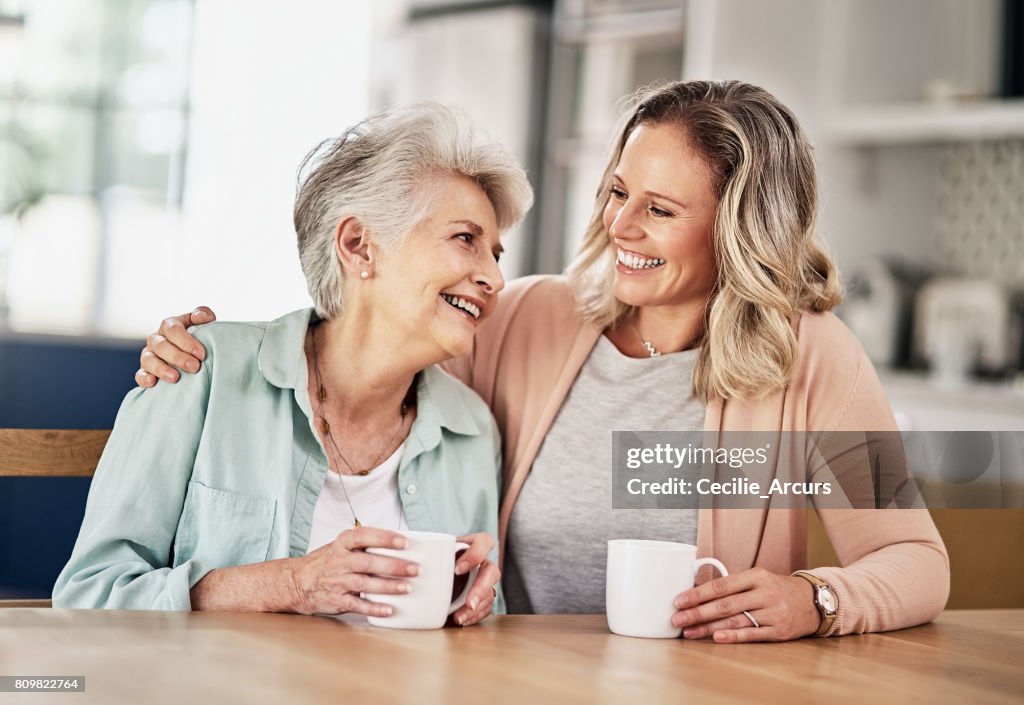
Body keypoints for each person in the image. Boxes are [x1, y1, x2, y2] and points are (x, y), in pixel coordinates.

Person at [134, 80, 949, 641]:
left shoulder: (811, 359)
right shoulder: (529, 317)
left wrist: (818, 597)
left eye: (659, 209)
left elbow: (916, 561)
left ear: (738, 230)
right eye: (618, 190)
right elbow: (374, 329)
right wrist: (206, 349)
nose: (620, 223)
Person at [54, 103, 534, 625]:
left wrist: (469, 600)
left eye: (496, 253)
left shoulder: (470, 428)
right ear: (359, 247)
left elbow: (477, 634)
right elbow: (89, 594)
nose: (494, 278)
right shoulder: (199, 371)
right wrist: (293, 584)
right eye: (465, 239)